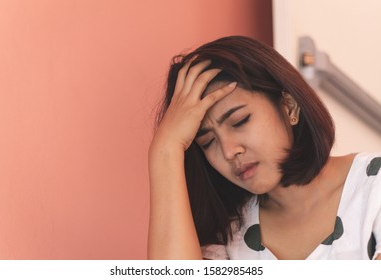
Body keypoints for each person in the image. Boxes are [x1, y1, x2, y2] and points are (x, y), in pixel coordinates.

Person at [147, 35, 381, 260]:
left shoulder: (374, 188)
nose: (229, 151)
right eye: (208, 142)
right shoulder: (227, 237)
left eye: (239, 121)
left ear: (289, 107)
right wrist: (166, 150)